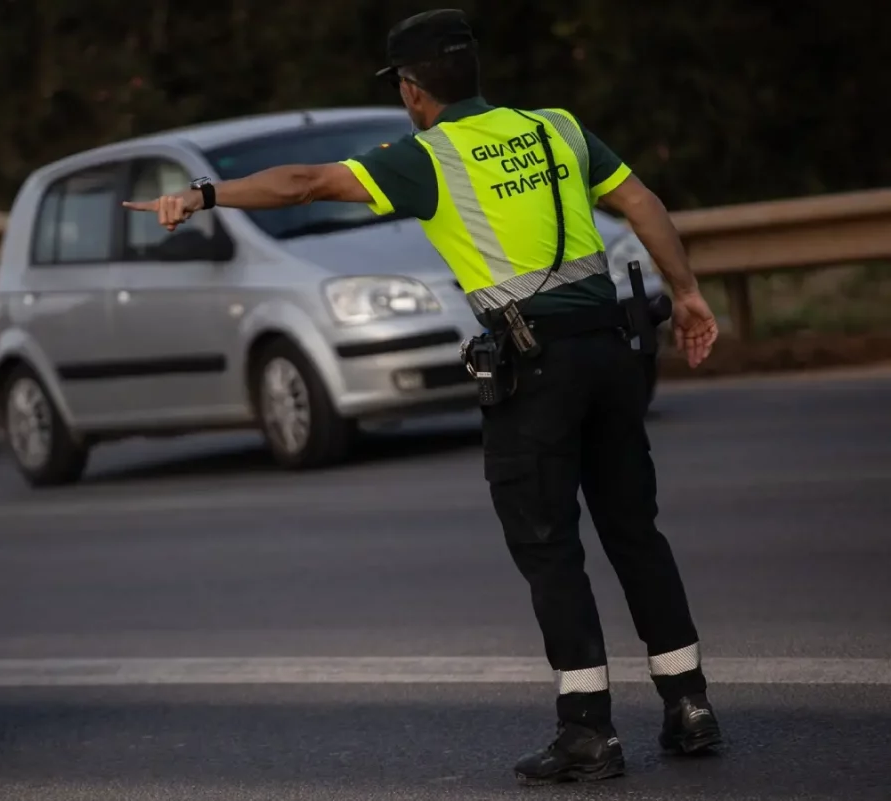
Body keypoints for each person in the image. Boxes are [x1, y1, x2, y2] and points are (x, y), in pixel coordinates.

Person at [124, 8, 722, 786]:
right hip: (610, 354)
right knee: (635, 532)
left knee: (549, 548)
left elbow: (305, 182)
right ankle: (691, 707)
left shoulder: (429, 158)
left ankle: (588, 732)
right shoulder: (556, 128)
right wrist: (689, 295)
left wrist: (203, 195)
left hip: (534, 370)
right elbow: (641, 204)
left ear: (412, 91)